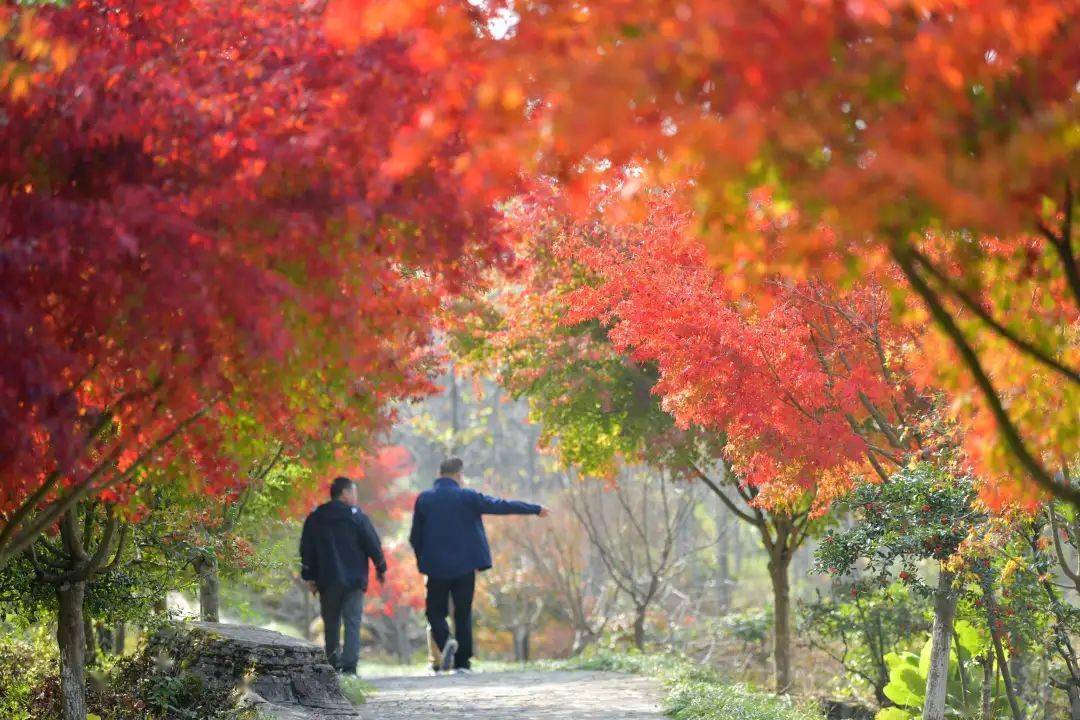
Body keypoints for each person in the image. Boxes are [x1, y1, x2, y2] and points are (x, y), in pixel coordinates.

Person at [409, 456, 548, 672]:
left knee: (435, 612)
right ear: (458, 475)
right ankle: (463, 663)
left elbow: (414, 537)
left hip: (436, 568)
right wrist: (535, 508)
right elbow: (500, 505)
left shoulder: (424, 499)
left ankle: (446, 643)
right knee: (463, 613)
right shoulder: (468, 497)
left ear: (440, 474)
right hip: (465, 567)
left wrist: (423, 560)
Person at [300, 476, 387, 675]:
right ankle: (349, 668)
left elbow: (307, 549)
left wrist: (309, 576)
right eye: (354, 492)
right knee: (352, 622)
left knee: (330, 623)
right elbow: (372, 543)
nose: (356, 497)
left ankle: (332, 665)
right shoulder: (357, 517)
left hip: (327, 579)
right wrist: (381, 568)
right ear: (345, 493)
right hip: (354, 580)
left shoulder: (316, 517)